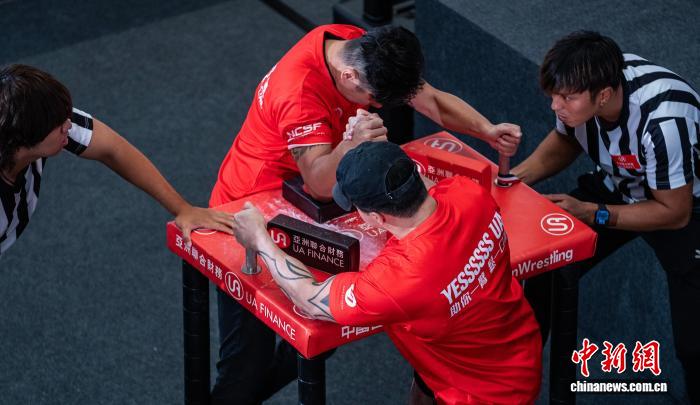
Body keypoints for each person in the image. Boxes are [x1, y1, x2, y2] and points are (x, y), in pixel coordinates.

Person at [230, 141, 542, 404]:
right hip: (511, 347)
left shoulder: (398, 278)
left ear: (375, 218)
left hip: (484, 394)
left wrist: (261, 240)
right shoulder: (468, 193)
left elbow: (310, 298)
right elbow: (426, 189)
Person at [511, 31, 699, 402]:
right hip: (621, 180)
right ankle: (514, 384)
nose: (555, 106)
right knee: (547, 264)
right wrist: (514, 179)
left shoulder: (664, 123)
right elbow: (566, 139)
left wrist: (593, 213)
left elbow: (674, 212)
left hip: (685, 206)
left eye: (566, 98)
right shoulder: (587, 82)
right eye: (553, 95)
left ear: (604, 96)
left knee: (695, 345)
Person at [0, 64, 234, 256]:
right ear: (23, 139)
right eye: (59, 125)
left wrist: (183, 208)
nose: (69, 126)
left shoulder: (34, 120)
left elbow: (114, 149)